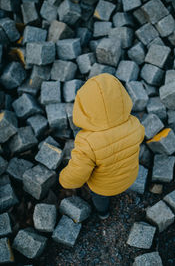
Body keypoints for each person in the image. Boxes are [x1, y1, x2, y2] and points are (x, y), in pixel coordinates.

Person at [59, 73, 145, 219]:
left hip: (103, 188)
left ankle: (103, 214)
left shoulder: (87, 142)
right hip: (130, 177)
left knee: (100, 199)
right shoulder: (135, 124)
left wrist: (63, 179)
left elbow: (77, 176)